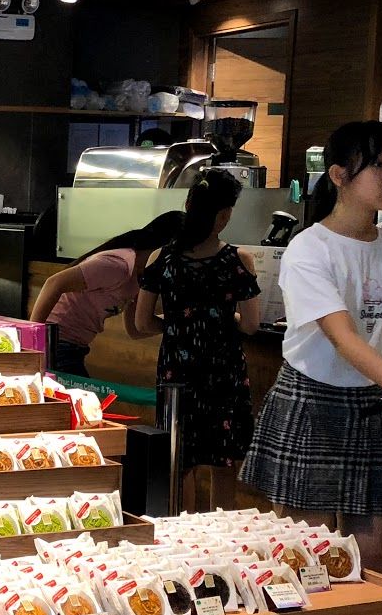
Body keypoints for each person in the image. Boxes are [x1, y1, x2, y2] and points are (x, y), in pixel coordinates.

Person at [239, 121, 382, 579]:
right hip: (313, 400)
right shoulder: (309, 247)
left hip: (377, 403)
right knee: (307, 556)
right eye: (378, 166)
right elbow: (342, 338)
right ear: (340, 175)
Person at [133, 171, 262, 509]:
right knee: (223, 464)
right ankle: (220, 533)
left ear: (189, 204)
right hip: (224, 370)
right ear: (224, 215)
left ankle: (184, 531)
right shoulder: (239, 260)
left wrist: (179, 325)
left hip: (176, 371)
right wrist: (218, 319)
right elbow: (251, 325)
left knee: (179, 459)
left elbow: (142, 322)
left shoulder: (162, 257)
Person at [30, 212, 184, 375]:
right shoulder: (118, 266)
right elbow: (53, 283)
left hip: (75, 347)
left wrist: (181, 320)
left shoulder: (140, 276)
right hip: (57, 343)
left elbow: (136, 329)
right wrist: (32, 340)